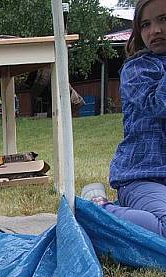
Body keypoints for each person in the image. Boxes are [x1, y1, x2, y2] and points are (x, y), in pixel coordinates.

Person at [81, 0, 166, 238]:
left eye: (163, 20)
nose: (155, 30)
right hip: (142, 176)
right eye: (146, 24)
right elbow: (160, 105)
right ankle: (99, 208)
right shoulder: (137, 69)